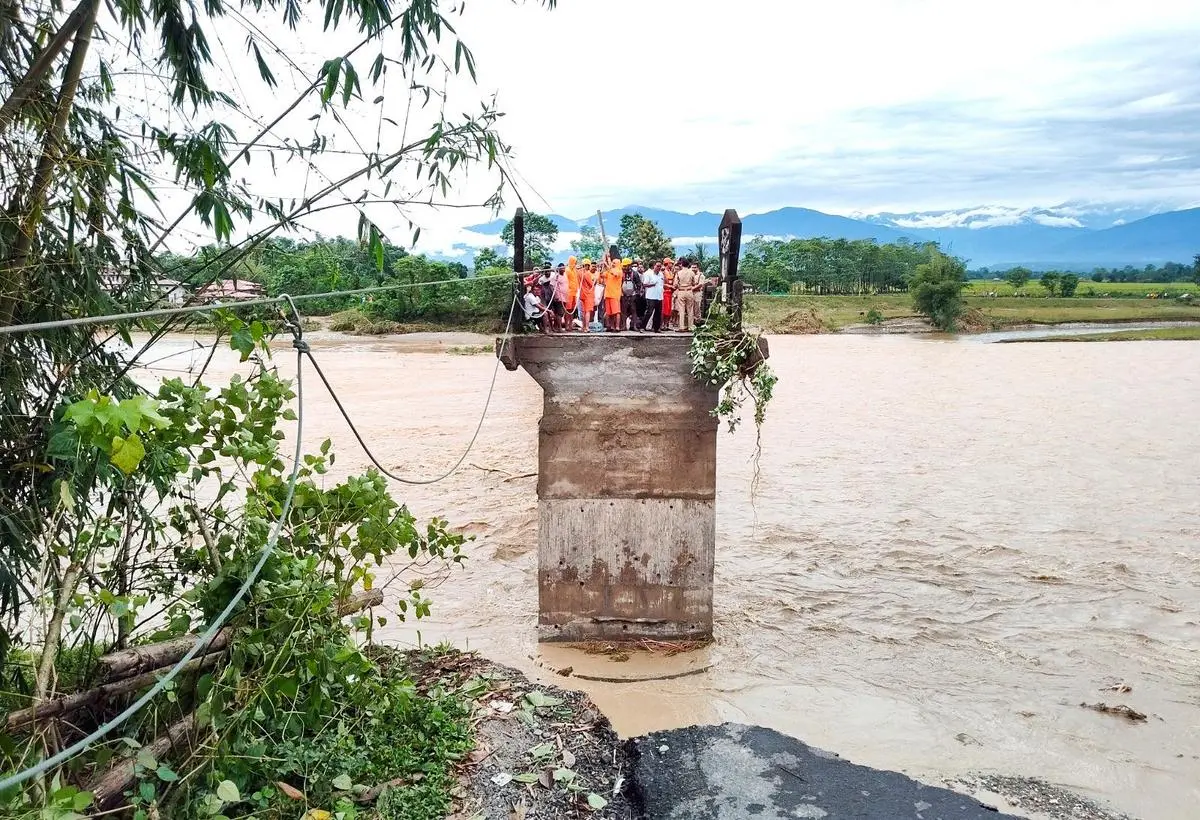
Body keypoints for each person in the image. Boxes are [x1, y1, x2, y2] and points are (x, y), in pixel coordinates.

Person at [674, 261, 701, 331]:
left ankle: (681, 327)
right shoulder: (691, 273)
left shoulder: (678, 273)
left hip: (681, 291)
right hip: (689, 291)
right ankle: (690, 326)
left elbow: (675, 284)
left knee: (681, 309)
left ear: (682, 265)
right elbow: (694, 283)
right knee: (690, 310)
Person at [602, 254, 624, 332]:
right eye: (612, 262)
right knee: (609, 312)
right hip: (608, 294)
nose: (613, 263)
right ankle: (610, 326)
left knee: (616, 312)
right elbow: (603, 275)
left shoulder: (619, 271)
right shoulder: (609, 271)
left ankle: (617, 327)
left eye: (614, 262)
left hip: (615, 294)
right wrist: (604, 265)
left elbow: (614, 274)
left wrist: (607, 264)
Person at [641, 262, 664, 331]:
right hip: (651, 296)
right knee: (649, 312)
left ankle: (656, 328)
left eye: (660, 266)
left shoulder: (661, 274)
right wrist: (652, 284)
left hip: (659, 296)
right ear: (654, 266)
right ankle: (642, 326)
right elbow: (644, 284)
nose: (659, 268)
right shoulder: (649, 274)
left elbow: (662, 284)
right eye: (657, 266)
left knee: (658, 313)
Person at [580, 258, 598, 331]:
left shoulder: (579, 272)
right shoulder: (587, 273)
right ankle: (587, 327)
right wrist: (595, 280)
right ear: (587, 265)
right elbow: (591, 284)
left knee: (583, 312)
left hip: (582, 294)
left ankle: (583, 327)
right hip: (588, 294)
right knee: (587, 311)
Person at [564, 256, 582, 331]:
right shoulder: (567, 270)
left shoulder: (575, 270)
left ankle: (570, 325)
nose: (576, 263)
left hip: (575, 292)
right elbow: (565, 281)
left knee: (572, 310)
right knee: (567, 310)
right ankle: (566, 325)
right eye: (575, 262)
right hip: (568, 293)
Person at [661, 258, 676, 330]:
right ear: (667, 263)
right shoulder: (663, 272)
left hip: (670, 293)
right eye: (671, 263)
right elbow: (662, 284)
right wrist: (670, 286)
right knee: (665, 310)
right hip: (665, 293)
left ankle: (667, 325)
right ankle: (663, 325)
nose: (672, 265)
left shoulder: (670, 272)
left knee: (669, 310)